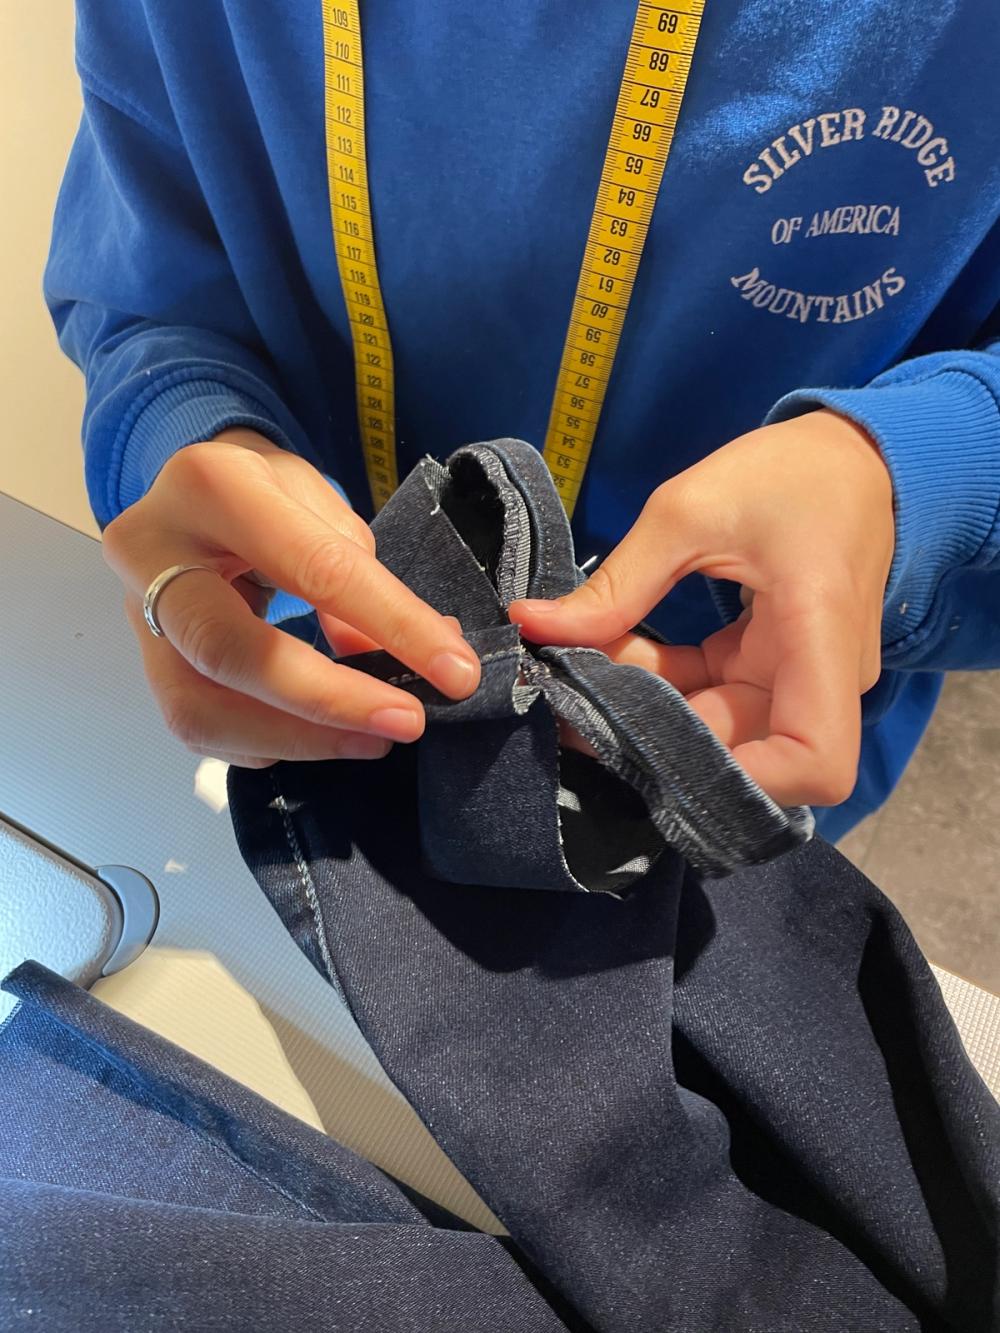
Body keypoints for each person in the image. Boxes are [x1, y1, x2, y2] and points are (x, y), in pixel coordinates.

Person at [45, 1, 1000, 839]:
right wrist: (190, 428)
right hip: (309, 709)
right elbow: (146, 286)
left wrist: (917, 471)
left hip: (752, 732)